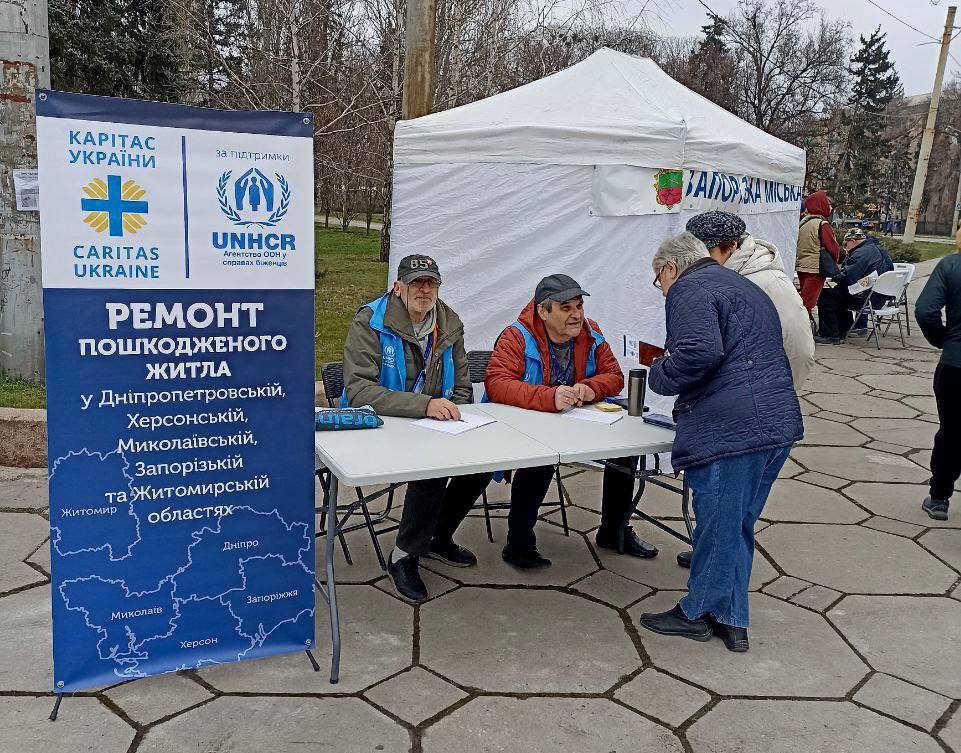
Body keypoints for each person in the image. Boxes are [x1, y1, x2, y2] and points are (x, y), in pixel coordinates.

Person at [638, 233, 802, 652]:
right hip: (774, 422)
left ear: (670, 268)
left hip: (733, 429)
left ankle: (696, 613)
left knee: (718, 523)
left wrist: (659, 372)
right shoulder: (742, 284)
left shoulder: (690, 288)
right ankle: (732, 619)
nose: (662, 289)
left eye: (659, 280)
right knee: (736, 524)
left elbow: (699, 353)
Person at [342, 254, 491, 603]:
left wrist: (462, 418)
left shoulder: (449, 322)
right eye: (416, 282)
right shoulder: (371, 321)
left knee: (484, 463)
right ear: (398, 286)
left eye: (431, 283)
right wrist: (424, 406)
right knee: (432, 469)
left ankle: (438, 538)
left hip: (432, 423)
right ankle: (403, 557)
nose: (424, 289)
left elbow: (463, 384)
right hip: (379, 425)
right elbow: (361, 390)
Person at [484, 274, 658, 569]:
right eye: (566, 308)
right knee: (539, 458)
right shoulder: (516, 335)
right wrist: (549, 397)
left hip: (574, 421)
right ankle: (519, 541)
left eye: (579, 306)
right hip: (524, 423)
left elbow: (614, 376)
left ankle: (613, 529)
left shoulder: (591, 332)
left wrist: (591, 387)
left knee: (625, 448)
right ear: (543, 311)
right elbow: (496, 384)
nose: (577, 314)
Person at [686, 211, 815, 389]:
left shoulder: (769, 283)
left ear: (731, 246)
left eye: (706, 251)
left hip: (756, 396)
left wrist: (778, 391)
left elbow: (799, 349)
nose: (697, 259)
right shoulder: (713, 276)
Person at [914, 230, 961, 521]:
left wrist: (943, 339)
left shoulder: (951, 266)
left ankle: (940, 496)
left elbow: (925, 310)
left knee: (953, 432)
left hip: (956, 365)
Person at [814, 228, 893, 344]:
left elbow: (848, 277)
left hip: (868, 299)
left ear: (853, 241)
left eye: (846, 244)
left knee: (826, 294)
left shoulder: (861, 253)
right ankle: (843, 330)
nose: (845, 247)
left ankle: (830, 335)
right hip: (879, 296)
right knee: (839, 292)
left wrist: (833, 277)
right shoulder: (873, 248)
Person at [796, 191, 842, 316]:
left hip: (802, 266)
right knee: (807, 303)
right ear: (820, 205)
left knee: (804, 299)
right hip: (816, 268)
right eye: (828, 204)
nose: (830, 208)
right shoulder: (822, 224)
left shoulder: (803, 223)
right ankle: (801, 330)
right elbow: (833, 248)